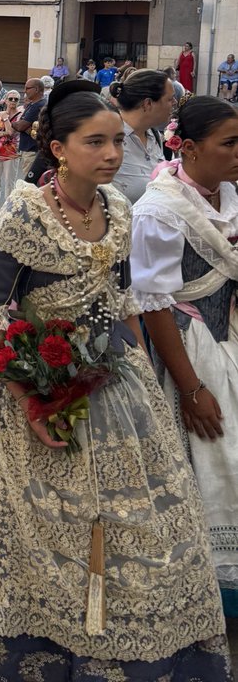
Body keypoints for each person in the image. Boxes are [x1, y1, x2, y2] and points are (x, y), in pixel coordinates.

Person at [0, 80, 230, 681]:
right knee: (31, 518)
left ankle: (128, 630)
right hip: (27, 374)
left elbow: (124, 300)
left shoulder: (118, 208)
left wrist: (143, 376)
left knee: (138, 514)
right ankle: (31, 637)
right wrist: (31, 398)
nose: (112, 153)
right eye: (96, 142)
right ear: (59, 149)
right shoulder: (26, 210)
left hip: (112, 373)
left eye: (118, 140)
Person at [131, 95, 238, 615]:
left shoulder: (226, 195)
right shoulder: (160, 210)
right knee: (205, 456)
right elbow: (152, 305)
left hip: (227, 336)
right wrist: (192, 388)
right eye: (231, 144)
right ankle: (196, 584)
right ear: (190, 148)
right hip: (184, 348)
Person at [109, 69, 172, 204]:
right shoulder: (108, 137)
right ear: (148, 103)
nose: (175, 103)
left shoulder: (153, 135)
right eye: (170, 99)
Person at [0, 89, 21, 211]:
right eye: (10, 99)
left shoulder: (20, 115)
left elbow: (12, 133)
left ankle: (7, 208)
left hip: (12, 153)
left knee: (9, 181)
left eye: (15, 99)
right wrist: (4, 132)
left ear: (18, 101)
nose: (13, 101)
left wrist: (6, 120)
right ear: (5, 100)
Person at [11, 76, 45, 179]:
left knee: (30, 183)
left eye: (27, 88)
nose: (25, 91)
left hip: (32, 150)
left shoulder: (37, 106)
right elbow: (22, 124)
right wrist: (24, 126)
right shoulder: (33, 104)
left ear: (37, 89)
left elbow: (20, 126)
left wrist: (13, 123)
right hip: (30, 149)